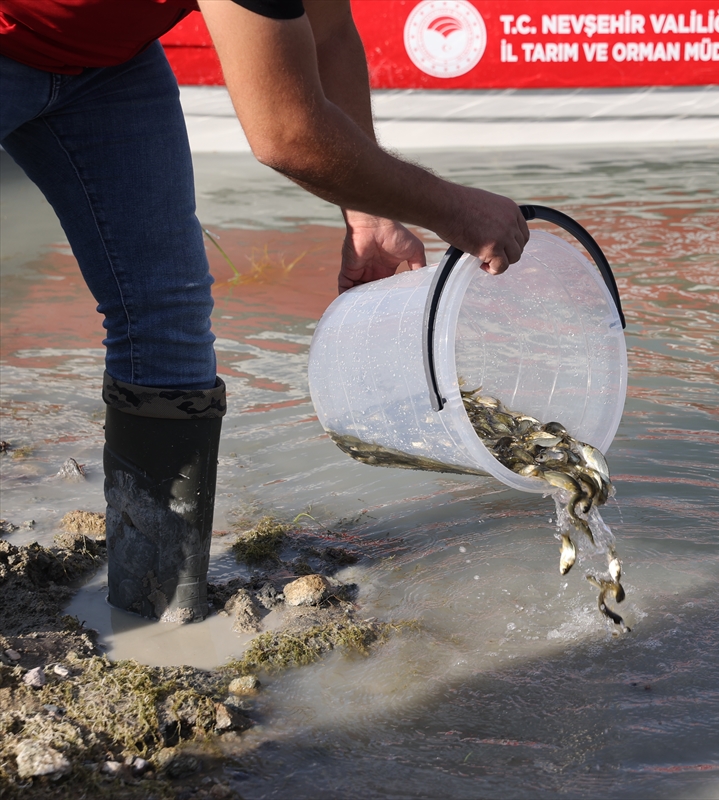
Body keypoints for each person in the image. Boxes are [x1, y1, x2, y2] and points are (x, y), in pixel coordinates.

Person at [0, 0, 530, 622]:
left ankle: (157, 613)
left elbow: (328, 33)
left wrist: (367, 213)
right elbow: (286, 133)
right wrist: (453, 209)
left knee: (166, 316)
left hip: (104, 59)